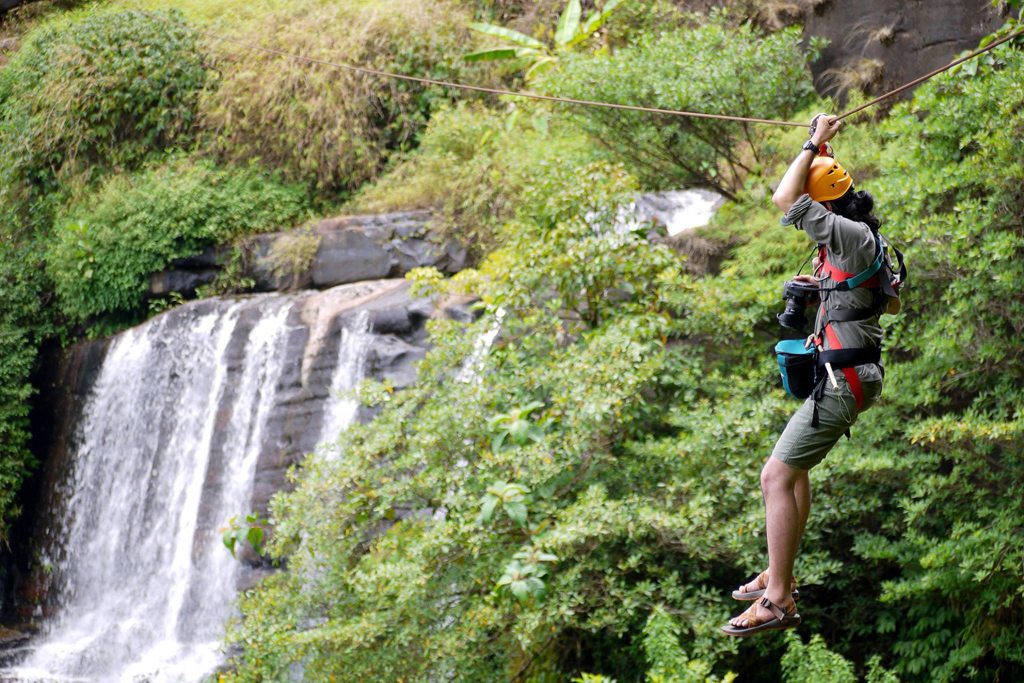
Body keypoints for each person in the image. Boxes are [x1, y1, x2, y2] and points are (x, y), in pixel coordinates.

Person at [721, 114, 887, 636]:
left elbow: (782, 197)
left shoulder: (847, 233)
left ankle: (778, 598)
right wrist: (828, 295)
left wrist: (814, 142)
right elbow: (890, 303)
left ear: (826, 205)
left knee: (775, 475)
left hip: (843, 379)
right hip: (844, 373)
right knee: (794, 474)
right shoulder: (860, 240)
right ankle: (780, 573)